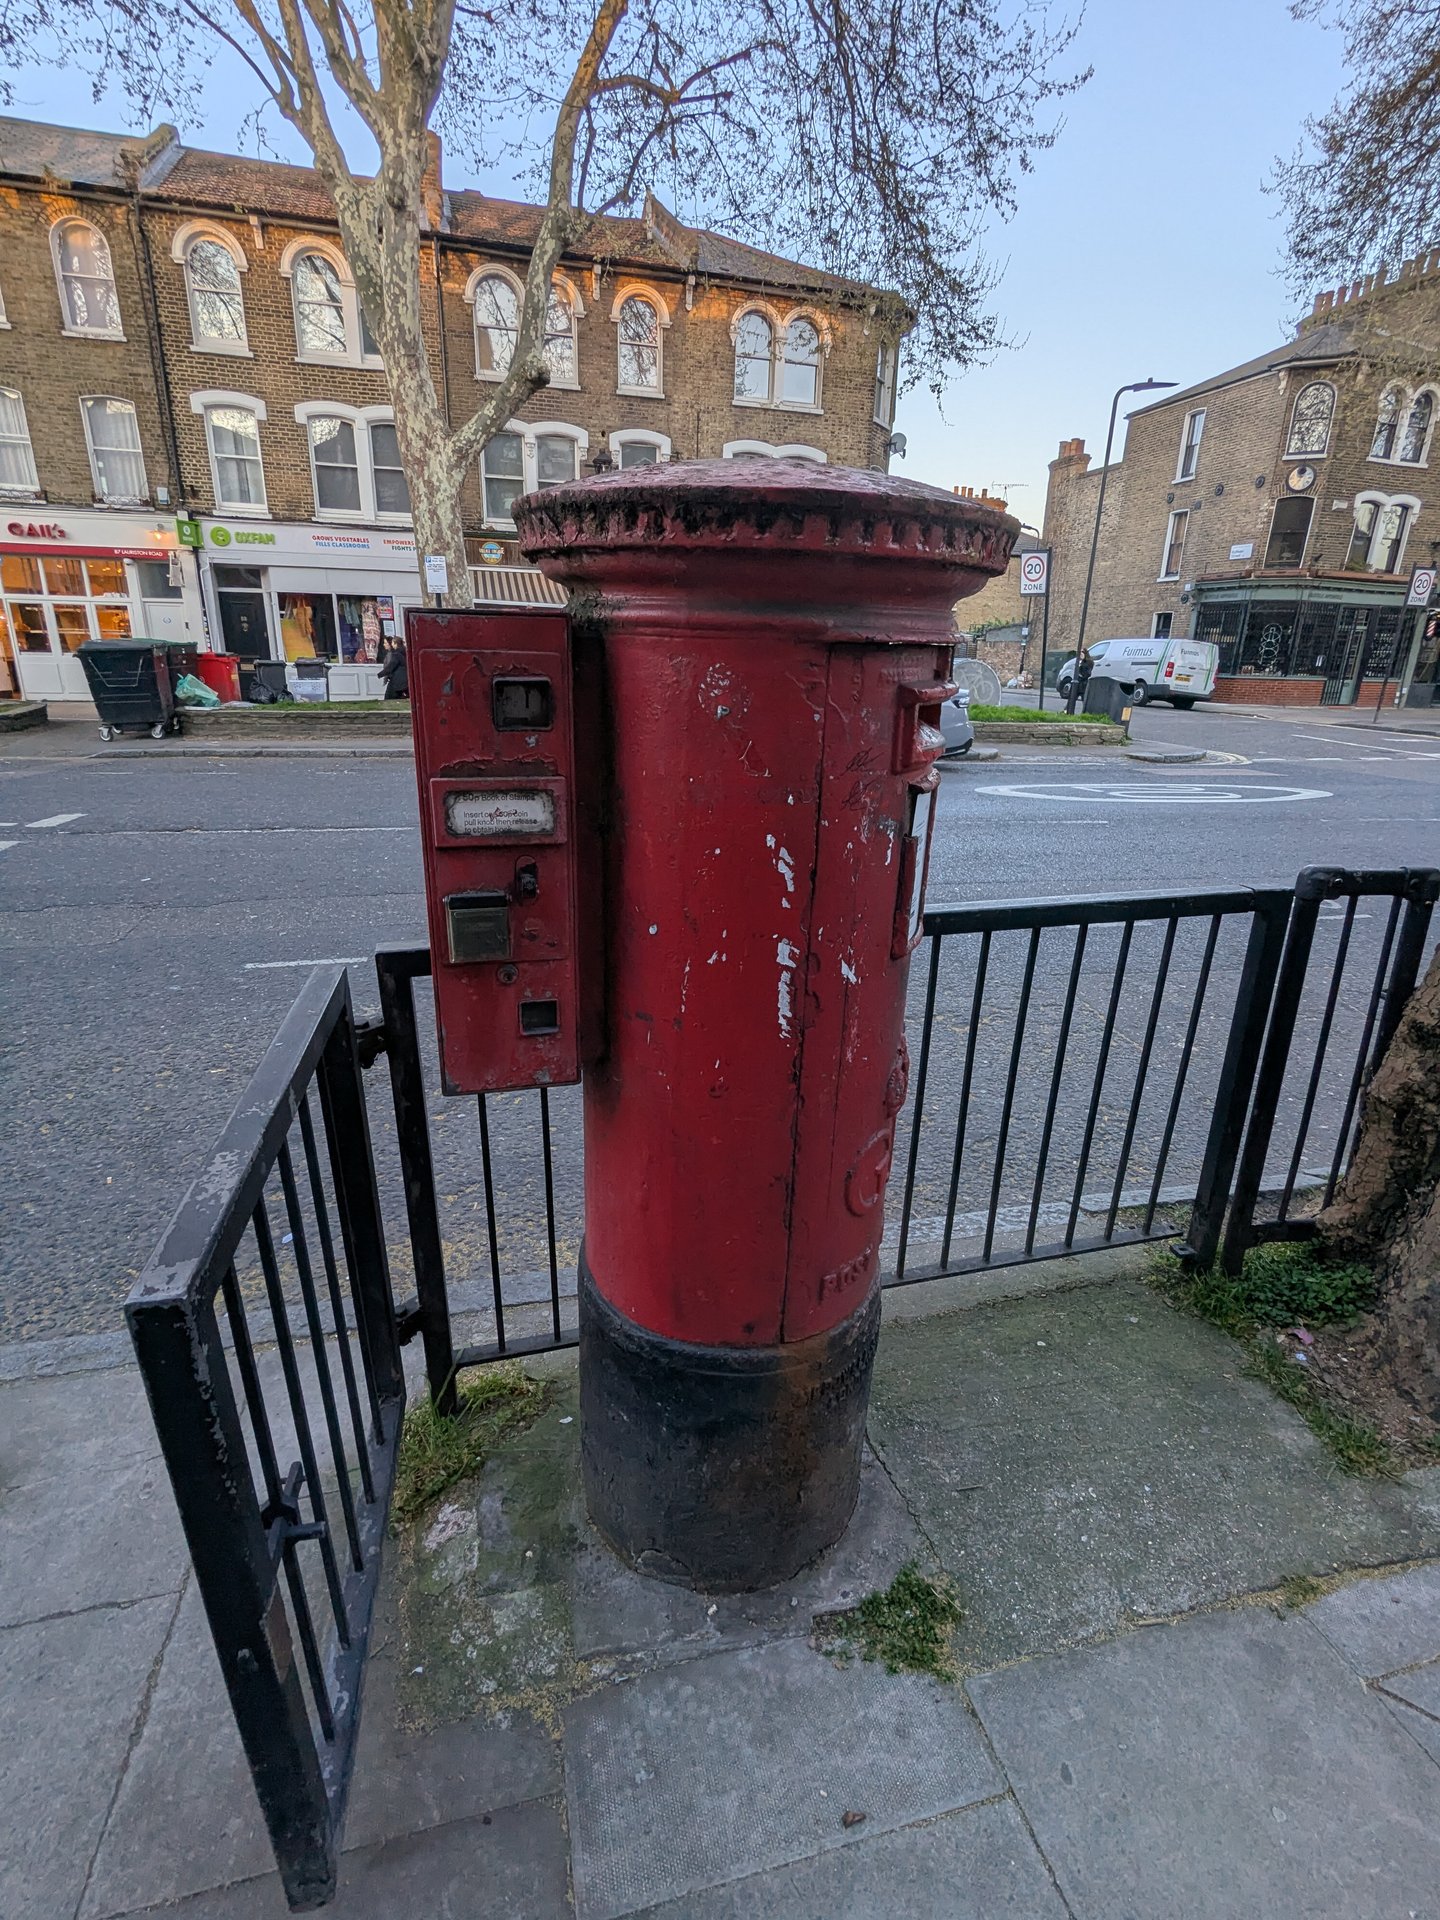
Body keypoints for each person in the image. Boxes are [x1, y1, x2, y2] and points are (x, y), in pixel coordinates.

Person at [379, 635, 408, 701]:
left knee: (389, 697)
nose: (391, 644)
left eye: (392, 643)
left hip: (397, 680)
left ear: (395, 644)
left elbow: (391, 666)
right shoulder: (404, 652)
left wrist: (380, 674)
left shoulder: (396, 654)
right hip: (402, 681)